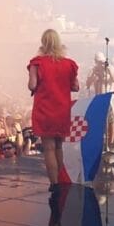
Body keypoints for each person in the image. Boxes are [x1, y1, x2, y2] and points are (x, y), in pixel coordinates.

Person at [27, 29, 80, 187]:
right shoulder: (69, 64)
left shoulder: (37, 63)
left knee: (49, 148)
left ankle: (55, 184)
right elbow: (75, 87)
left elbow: (32, 85)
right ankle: (61, 181)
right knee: (58, 146)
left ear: (43, 43)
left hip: (45, 109)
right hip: (62, 109)